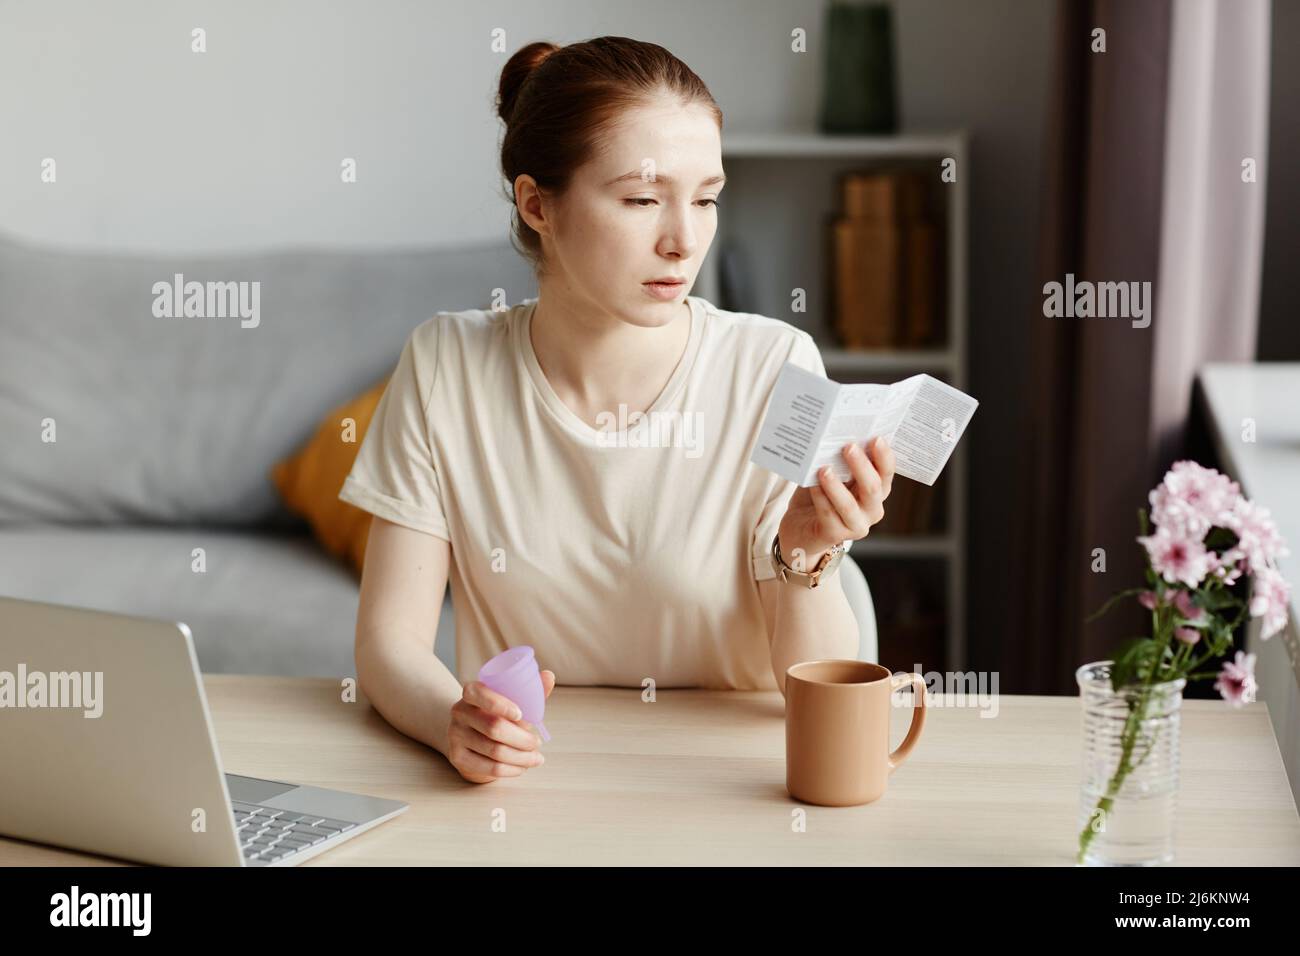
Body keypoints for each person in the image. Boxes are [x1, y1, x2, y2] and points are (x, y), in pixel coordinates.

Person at [339, 36, 895, 785]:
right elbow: (389, 645)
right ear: (538, 204)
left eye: (706, 199)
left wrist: (805, 554)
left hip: (733, 784)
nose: (684, 240)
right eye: (641, 200)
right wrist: (454, 725)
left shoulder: (775, 367)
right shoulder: (447, 366)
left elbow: (815, 694)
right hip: (535, 784)